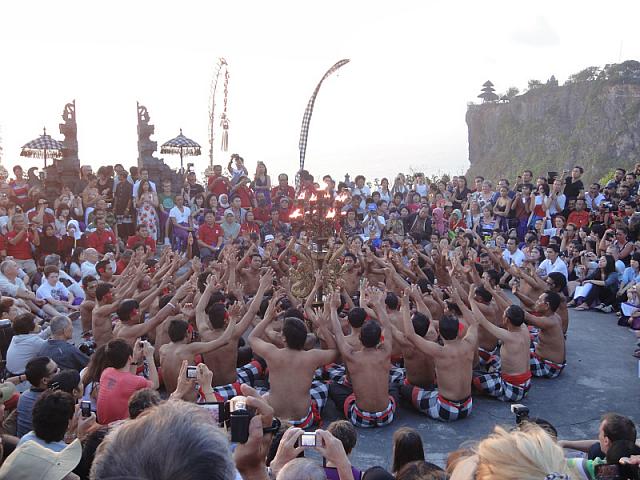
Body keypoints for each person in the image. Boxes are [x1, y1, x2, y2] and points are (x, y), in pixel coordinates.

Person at [249, 293, 337, 427]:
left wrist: (268, 318)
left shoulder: (272, 353)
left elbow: (252, 338)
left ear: (283, 338)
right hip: (303, 421)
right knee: (323, 386)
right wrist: (322, 327)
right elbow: (334, 351)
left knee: (260, 392)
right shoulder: (312, 356)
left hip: (274, 419)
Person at [400, 288, 477, 422]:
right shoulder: (469, 344)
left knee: (404, 389)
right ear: (459, 329)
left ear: (439, 331)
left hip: (446, 410)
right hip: (468, 406)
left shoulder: (439, 351)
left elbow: (410, 335)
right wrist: (459, 301)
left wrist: (405, 305)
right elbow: (474, 323)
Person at [329, 290, 396, 428]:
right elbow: (387, 326)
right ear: (379, 340)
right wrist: (377, 305)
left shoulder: (351, 355)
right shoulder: (385, 352)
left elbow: (337, 332)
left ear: (360, 338)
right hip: (387, 416)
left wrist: (332, 308)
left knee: (334, 388)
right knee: (395, 388)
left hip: (361, 419)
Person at [158, 317, 235, 395]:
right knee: (238, 388)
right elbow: (224, 340)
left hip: (172, 398)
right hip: (192, 402)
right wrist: (233, 318)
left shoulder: (163, 349)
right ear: (187, 333)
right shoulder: (189, 349)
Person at [472, 304, 532, 402]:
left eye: (503, 314)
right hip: (526, 384)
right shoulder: (524, 328)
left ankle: (486, 389)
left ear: (507, 320)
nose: (501, 316)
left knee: (474, 379)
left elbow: (483, 321)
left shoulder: (508, 336)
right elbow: (509, 306)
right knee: (494, 359)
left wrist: (469, 298)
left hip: (513, 389)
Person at [96, 338, 157, 424]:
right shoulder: (133, 381)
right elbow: (155, 385)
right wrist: (150, 357)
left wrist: (134, 359)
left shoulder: (106, 372)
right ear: (129, 358)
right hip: (118, 429)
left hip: (104, 424)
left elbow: (128, 379)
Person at [526, 291, 566, 378]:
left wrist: (495, 293)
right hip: (552, 363)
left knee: (515, 352)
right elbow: (530, 306)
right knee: (526, 336)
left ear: (547, 306)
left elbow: (522, 315)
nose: (536, 302)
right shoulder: (555, 316)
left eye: (539, 300)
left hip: (549, 367)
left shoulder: (548, 321)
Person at [16, 356, 59, 437]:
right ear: (45, 380)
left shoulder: (24, 396)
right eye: (55, 371)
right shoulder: (52, 401)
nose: (59, 371)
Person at [6, 313, 50, 379]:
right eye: (36, 323)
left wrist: (48, 331)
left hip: (10, 374)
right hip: (24, 378)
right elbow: (51, 345)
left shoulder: (16, 338)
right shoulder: (34, 341)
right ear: (30, 328)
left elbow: (36, 338)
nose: (38, 325)